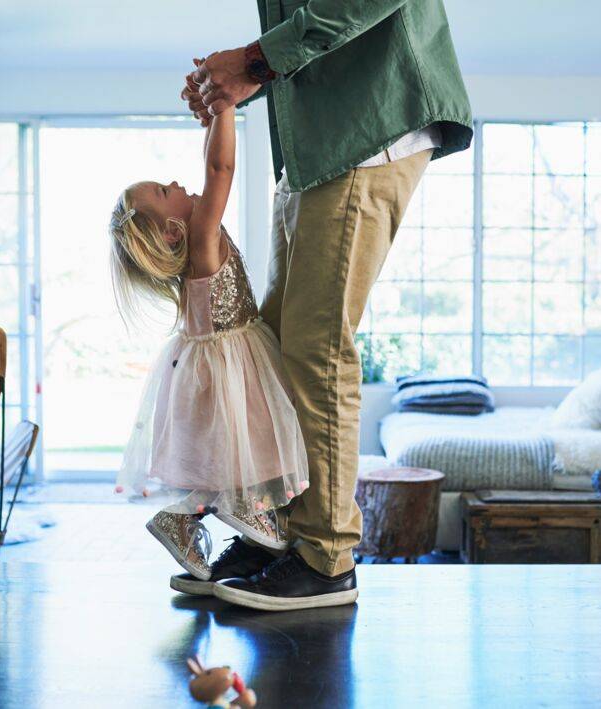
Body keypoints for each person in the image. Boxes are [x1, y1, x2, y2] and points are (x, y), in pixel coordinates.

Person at [179, 0, 473, 611]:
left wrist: (253, 63)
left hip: (365, 133)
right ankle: (281, 535)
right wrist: (235, 80)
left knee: (317, 350)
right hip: (317, 148)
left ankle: (325, 559)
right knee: (278, 349)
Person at [109, 106, 310, 589]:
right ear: (172, 230)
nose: (176, 183)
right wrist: (224, 106)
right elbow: (220, 169)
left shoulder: (193, 243)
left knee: (227, 456)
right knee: (252, 446)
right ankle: (246, 509)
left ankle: (182, 519)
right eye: (165, 191)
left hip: (212, 365)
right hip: (231, 367)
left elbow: (209, 162)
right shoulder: (203, 235)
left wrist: (212, 121)